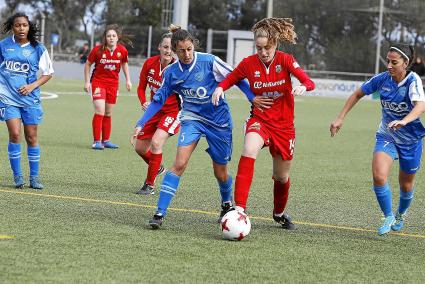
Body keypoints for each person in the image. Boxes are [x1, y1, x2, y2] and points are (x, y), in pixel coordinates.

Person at [131, 25, 255, 229]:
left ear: (193, 46)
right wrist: (140, 123)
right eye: (181, 50)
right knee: (179, 164)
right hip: (191, 118)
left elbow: (237, 78)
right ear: (174, 50)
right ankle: (159, 213)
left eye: (189, 49)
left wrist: (253, 99)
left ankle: (226, 204)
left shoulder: (209, 61)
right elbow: (158, 100)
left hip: (219, 121)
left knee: (220, 171)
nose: (187, 54)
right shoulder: (172, 72)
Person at [212, 17, 315, 230]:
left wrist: (304, 87)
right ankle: (238, 210)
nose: (263, 52)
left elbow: (308, 81)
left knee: (281, 176)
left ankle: (278, 213)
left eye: (267, 47)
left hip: (284, 127)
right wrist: (220, 88)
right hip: (260, 120)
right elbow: (230, 79)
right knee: (249, 149)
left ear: (275, 44)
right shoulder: (249, 63)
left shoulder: (286, 60)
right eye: (259, 48)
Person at [330, 44, 425, 235]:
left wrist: (404, 121)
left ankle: (400, 214)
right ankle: (388, 215)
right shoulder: (382, 79)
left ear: (405, 63)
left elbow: (421, 106)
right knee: (379, 176)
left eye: (394, 62)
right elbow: (358, 93)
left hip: (410, 140)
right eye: (388, 61)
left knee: (406, 184)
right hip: (387, 135)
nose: (389, 65)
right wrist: (340, 118)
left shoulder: (412, 80)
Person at [0, 12, 53, 189]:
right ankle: (17, 176)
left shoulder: (38, 48)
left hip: (30, 99)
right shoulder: (3, 46)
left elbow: (48, 73)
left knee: (31, 137)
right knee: (15, 134)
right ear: (12, 27)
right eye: (17, 25)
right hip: (8, 98)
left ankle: (34, 177)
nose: (21, 28)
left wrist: (32, 86)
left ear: (29, 27)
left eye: (24, 25)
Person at [133, 32, 180, 195]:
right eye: (165, 47)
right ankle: (157, 167)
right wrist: (143, 101)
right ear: (159, 47)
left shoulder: (177, 69)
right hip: (154, 111)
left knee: (156, 142)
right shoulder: (149, 64)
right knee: (139, 147)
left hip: (172, 113)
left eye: (171, 48)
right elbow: (140, 88)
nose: (168, 51)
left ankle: (149, 185)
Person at [84, 24, 132, 150]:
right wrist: (87, 82)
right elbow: (88, 64)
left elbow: (124, 64)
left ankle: (106, 140)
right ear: (105, 38)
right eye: (108, 36)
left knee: (108, 112)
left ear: (117, 38)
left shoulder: (122, 51)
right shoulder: (97, 50)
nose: (111, 38)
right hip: (98, 82)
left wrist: (128, 80)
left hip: (113, 84)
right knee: (99, 109)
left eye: (113, 36)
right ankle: (96, 141)